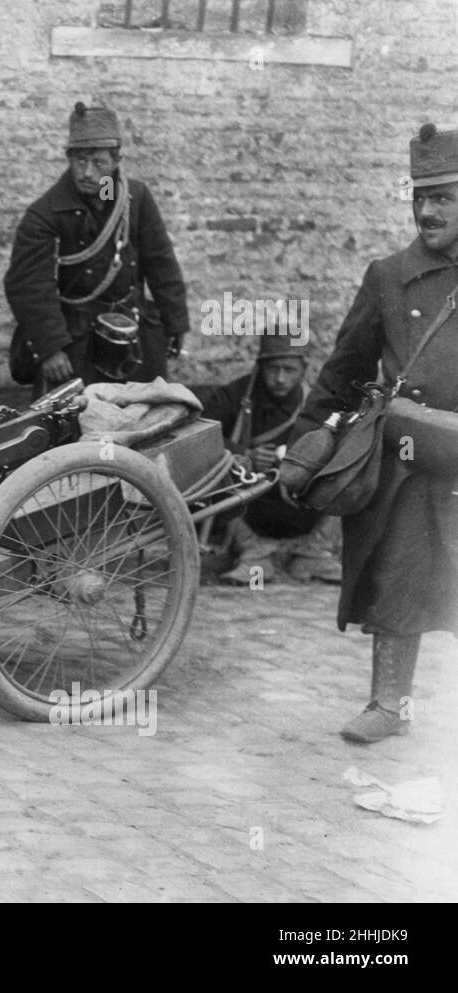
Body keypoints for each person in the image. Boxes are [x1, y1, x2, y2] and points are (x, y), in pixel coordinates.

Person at [290, 122, 458, 744]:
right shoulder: (388, 276)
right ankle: (388, 705)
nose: (427, 209)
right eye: (420, 196)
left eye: (443, 196)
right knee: (397, 577)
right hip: (409, 463)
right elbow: (344, 370)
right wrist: (305, 448)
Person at [5, 102, 190, 393]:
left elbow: (161, 264)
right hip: (75, 341)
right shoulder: (45, 215)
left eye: (98, 162)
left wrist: (175, 322)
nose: (87, 172)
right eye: (79, 161)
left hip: (133, 333)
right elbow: (29, 288)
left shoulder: (134, 199)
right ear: (69, 159)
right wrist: (51, 348)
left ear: (116, 160)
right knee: (76, 427)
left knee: (143, 418)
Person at [195, 324, 342, 585]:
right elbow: (200, 436)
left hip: (301, 502)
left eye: (289, 370)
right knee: (217, 466)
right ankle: (253, 553)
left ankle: (315, 552)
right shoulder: (234, 396)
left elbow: (340, 443)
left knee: (353, 465)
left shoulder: (319, 402)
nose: (281, 378)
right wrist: (244, 454)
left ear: (303, 369)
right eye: (273, 369)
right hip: (248, 503)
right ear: (259, 367)